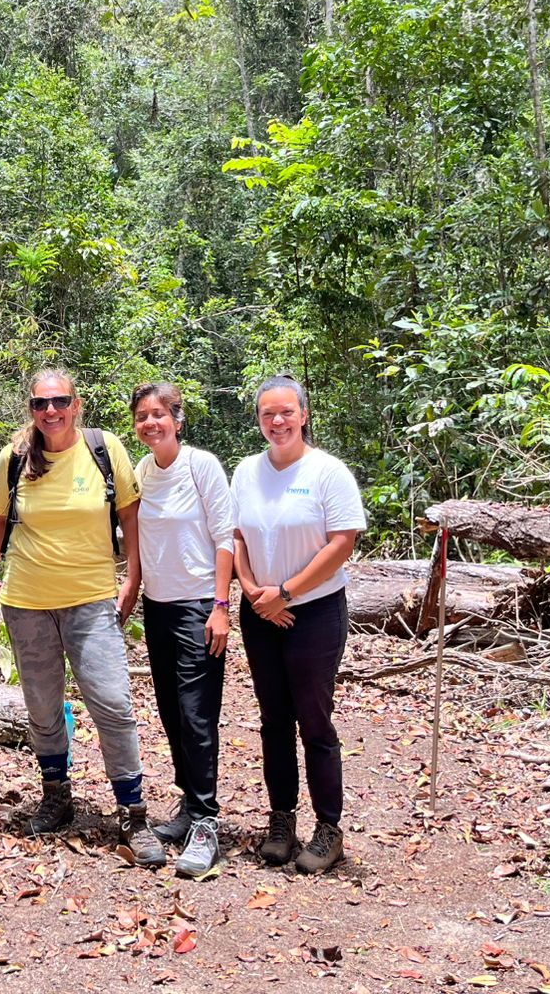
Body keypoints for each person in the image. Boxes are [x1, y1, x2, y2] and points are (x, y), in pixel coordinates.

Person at [0, 368, 164, 867]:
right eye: (41, 404)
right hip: (28, 599)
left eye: (59, 401)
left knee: (112, 702)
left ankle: (132, 811)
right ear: (32, 410)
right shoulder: (15, 458)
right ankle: (57, 793)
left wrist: (133, 579)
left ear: (75, 404)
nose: (51, 411)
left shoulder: (105, 449)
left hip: (90, 597)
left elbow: (129, 514)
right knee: (42, 705)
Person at [231, 375, 366, 875]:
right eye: (268, 414)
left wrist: (285, 592)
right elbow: (237, 535)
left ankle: (328, 828)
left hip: (312, 612)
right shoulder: (246, 471)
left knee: (314, 720)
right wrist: (251, 590)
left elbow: (342, 542)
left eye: (286, 412)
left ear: (304, 415)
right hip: (259, 610)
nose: (277, 421)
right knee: (273, 721)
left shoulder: (328, 472)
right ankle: (281, 820)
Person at [130, 382, 235, 879]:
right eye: (142, 416)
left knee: (197, 716)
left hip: (198, 606)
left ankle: (208, 821)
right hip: (158, 606)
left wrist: (220, 605)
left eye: (159, 414)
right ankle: (190, 809)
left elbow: (225, 537)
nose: (151, 423)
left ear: (177, 418)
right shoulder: (142, 472)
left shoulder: (201, 466)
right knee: (171, 712)